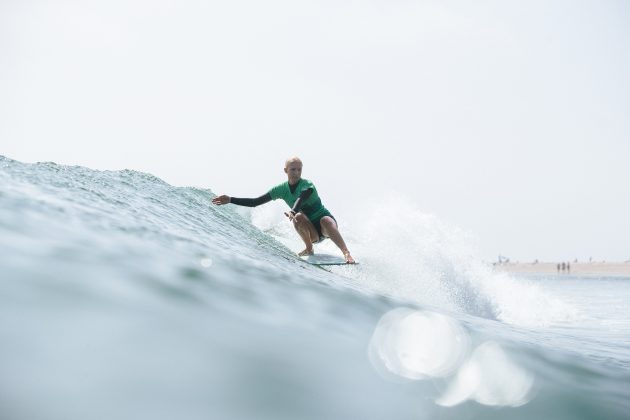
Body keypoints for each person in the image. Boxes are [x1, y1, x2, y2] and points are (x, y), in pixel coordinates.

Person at [212, 157, 355, 264]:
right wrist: (230, 199)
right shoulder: (280, 189)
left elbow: (302, 196)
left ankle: (347, 253)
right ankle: (309, 248)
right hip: (311, 231)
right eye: (293, 169)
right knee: (298, 217)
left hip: (326, 227)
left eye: (299, 169)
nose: (297, 172)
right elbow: (255, 202)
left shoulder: (307, 184)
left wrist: (293, 211)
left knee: (325, 219)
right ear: (286, 170)